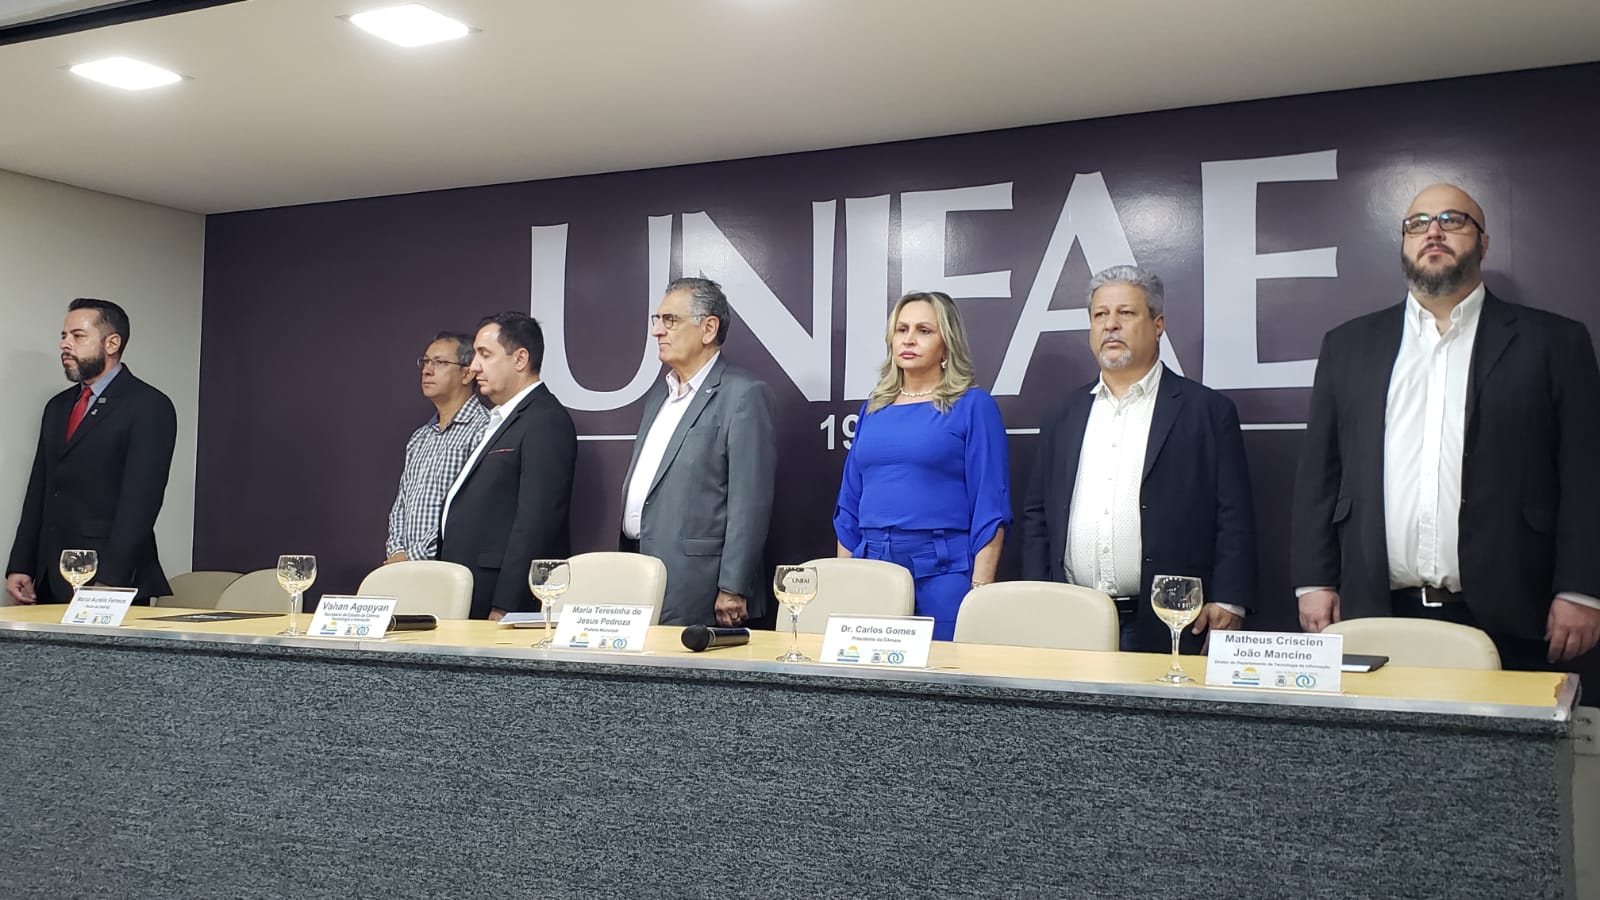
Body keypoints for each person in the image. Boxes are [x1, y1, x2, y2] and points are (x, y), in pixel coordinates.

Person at [1292, 183, 1600, 682]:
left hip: (1515, 613)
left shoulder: (1555, 342)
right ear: (1404, 244)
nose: (1433, 232)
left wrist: (1580, 589)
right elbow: (1319, 476)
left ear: (1483, 242)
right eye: (1417, 224)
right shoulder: (1348, 345)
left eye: (1453, 220)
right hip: (1375, 612)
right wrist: (1313, 581)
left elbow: (1586, 474)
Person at [1021, 266, 1255, 652]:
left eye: (1126, 313)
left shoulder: (1206, 411)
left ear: (1158, 324)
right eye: (1100, 314)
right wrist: (1037, 594)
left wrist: (1230, 598)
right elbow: (1038, 515)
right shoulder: (1062, 414)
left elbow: (1233, 512)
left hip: (1171, 620)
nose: (1110, 325)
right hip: (1071, 618)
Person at [833, 291, 1010, 641]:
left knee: (943, 671)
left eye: (924, 330)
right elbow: (849, 506)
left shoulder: (973, 405)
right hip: (873, 569)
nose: (909, 339)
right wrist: (845, 580)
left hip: (943, 573)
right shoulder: (873, 408)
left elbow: (990, 506)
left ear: (947, 344)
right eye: (902, 330)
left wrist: (980, 592)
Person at [620, 277, 776, 627]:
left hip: (699, 586)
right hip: (640, 574)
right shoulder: (658, 396)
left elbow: (750, 503)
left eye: (670, 320)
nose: (657, 331)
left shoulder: (743, 395)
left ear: (708, 329)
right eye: (657, 320)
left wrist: (734, 586)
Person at [6, 298, 178, 606]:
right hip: (50, 574)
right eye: (63, 336)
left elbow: (140, 502)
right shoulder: (58, 406)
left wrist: (112, 579)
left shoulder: (148, 405)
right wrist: (21, 563)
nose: (65, 344)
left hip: (109, 581)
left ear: (112, 343)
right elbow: (40, 489)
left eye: (78, 336)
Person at [437, 313, 576, 620]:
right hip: (467, 589)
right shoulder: (503, 418)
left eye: (485, 355)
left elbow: (537, 521)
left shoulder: (545, 420)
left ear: (520, 359)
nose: (474, 367)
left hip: (499, 598)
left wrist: (506, 605)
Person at [384, 332, 488, 564]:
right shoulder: (420, 438)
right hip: (405, 569)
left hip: (451, 568)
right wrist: (396, 552)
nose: (427, 370)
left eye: (440, 363)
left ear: (467, 373)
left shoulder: (484, 430)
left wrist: (412, 558)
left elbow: (468, 512)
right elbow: (401, 505)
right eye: (425, 361)